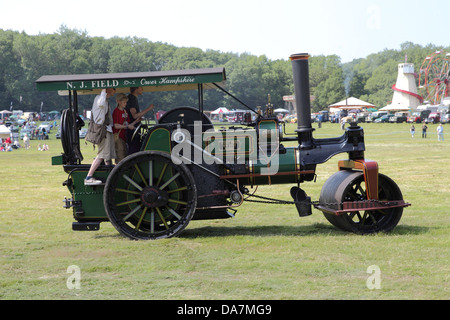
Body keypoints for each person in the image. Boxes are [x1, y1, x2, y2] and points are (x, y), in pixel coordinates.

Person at [85, 88, 117, 186]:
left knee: (108, 155)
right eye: (113, 89)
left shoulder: (105, 100)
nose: (114, 91)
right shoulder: (100, 99)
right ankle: (89, 177)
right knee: (102, 154)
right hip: (102, 131)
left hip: (106, 130)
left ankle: (110, 176)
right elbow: (101, 104)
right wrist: (103, 90)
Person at [126, 86, 155, 155]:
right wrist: (148, 109)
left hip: (133, 127)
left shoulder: (133, 98)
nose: (142, 89)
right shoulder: (132, 98)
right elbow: (134, 115)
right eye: (141, 87)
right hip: (132, 129)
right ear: (136, 89)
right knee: (134, 149)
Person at [112, 93, 139, 164]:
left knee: (124, 154)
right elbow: (116, 125)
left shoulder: (125, 111)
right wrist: (127, 127)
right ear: (118, 102)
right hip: (118, 136)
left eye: (126, 102)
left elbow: (128, 124)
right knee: (120, 155)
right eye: (124, 102)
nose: (125, 104)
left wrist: (136, 121)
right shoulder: (116, 112)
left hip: (124, 137)